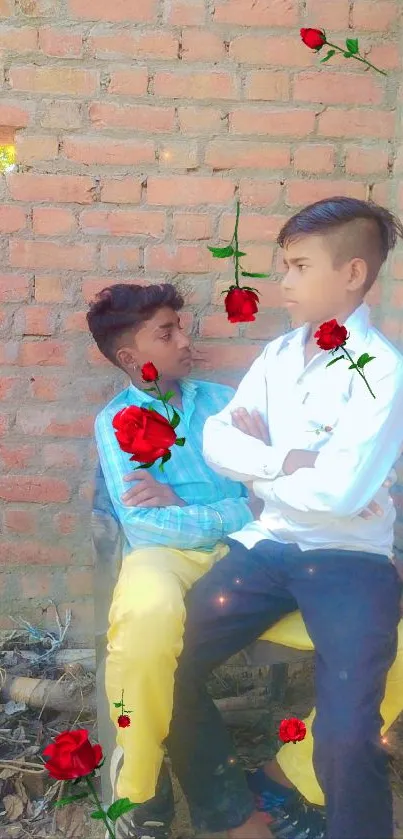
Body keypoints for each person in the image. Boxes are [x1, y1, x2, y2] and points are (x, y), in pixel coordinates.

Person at [87, 275, 400, 839]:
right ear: (133, 357)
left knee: (396, 644)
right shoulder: (114, 421)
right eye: (167, 332)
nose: (185, 339)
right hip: (163, 558)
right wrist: (236, 499)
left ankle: (288, 777)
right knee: (146, 629)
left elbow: (266, 493)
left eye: (180, 326)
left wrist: (217, 496)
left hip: (255, 553)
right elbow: (145, 522)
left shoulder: (221, 400)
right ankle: (140, 791)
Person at [160, 197, 403, 839]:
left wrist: (262, 468)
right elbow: (217, 441)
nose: (283, 282)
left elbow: (343, 496)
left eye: (298, 266)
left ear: (351, 273)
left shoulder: (380, 373)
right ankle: (232, 813)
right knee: (164, 665)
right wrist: (292, 460)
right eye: (283, 266)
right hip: (267, 548)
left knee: (347, 738)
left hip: (352, 562)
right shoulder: (276, 357)